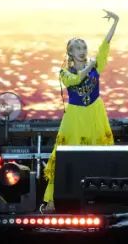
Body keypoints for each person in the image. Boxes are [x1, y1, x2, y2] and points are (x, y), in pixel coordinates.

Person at [42, 10, 120, 208]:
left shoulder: (96, 65)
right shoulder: (64, 72)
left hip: (94, 113)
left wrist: (115, 21)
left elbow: (105, 45)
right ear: (70, 53)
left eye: (84, 47)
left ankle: (100, 197)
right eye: (77, 48)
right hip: (75, 117)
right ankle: (54, 199)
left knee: (99, 153)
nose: (82, 50)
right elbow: (76, 79)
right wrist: (88, 66)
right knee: (66, 155)